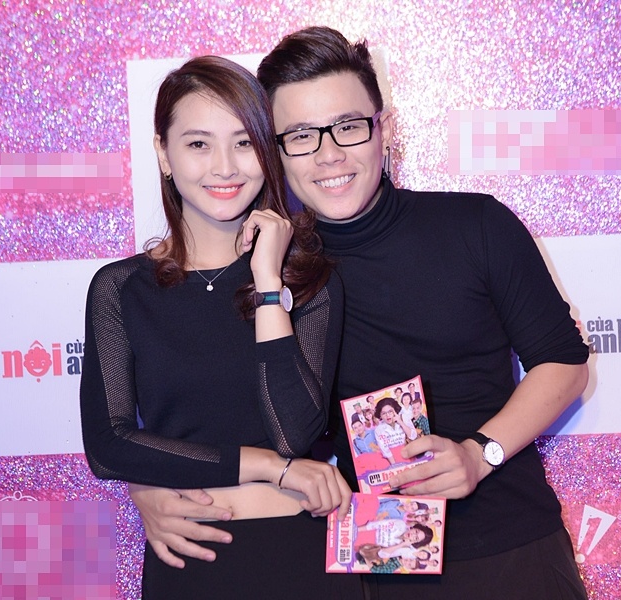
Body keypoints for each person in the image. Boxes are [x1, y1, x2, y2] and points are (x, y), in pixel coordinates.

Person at [125, 26, 590, 600]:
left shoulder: (476, 225)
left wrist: (480, 454)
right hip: (362, 566)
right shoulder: (269, 267)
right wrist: (146, 485)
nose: (329, 155)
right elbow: (213, 408)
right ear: (275, 151)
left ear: (384, 129)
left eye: (348, 127)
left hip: (510, 550)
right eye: (300, 136)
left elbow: (564, 363)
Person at [79, 55, 365, 599]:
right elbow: (108, 446)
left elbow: (294, 434)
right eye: (198, 144)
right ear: (163, 153)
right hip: (190, 560)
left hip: (300, 557)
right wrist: (270, 468)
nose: (225, 167)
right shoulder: (121, 289)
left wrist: (267, 282)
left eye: (243, 142)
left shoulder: (309, 279)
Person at [374, 397, 418, 465]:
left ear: (395, 410)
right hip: (393, 458)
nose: (388, 415)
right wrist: (395, 465)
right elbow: (385, 450)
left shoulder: (404, 418)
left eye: (390, 411)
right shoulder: (379, 429)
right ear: (380, 416)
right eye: (384, 413)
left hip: (409, 452)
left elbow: (413, 436)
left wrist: (400, 422)